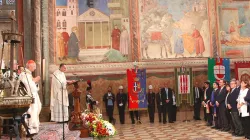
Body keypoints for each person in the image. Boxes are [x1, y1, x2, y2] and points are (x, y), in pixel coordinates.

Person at [19, 60, 41, 134]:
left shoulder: (28, 74)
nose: (35, 68)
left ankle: (34, 128)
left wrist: (35, 81)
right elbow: (29, 86)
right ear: (29, 66)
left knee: (36, 109)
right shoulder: (24, 74)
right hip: (29, 96)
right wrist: (35, 80)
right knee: (31, 111)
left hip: (33, 95)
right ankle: (29, 130)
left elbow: (33, 86)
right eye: (34, 66)